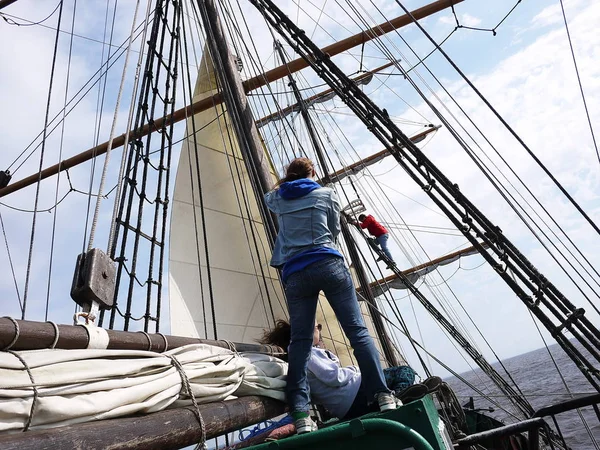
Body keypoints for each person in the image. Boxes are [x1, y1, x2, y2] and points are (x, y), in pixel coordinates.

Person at [264, 157, 396, 434]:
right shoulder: (326, 194)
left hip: (296, 273)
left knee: (299, 344)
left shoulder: (279, 198)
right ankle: (383, 395)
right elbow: (334, 230)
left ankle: (301, 414)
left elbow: (269, 198)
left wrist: (287, 184)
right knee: (357, 332)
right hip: (329, 263)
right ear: (313, 173)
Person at [259, 320, 431, 421]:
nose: (319, 329)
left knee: (391, 377)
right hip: (358, 393)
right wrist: (354, 369)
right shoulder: (306, 351)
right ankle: (400, 395)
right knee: (403, 371)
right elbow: (334, 377)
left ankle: (394, 396)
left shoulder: (297, 356)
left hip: (347, 409)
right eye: (317, 326)